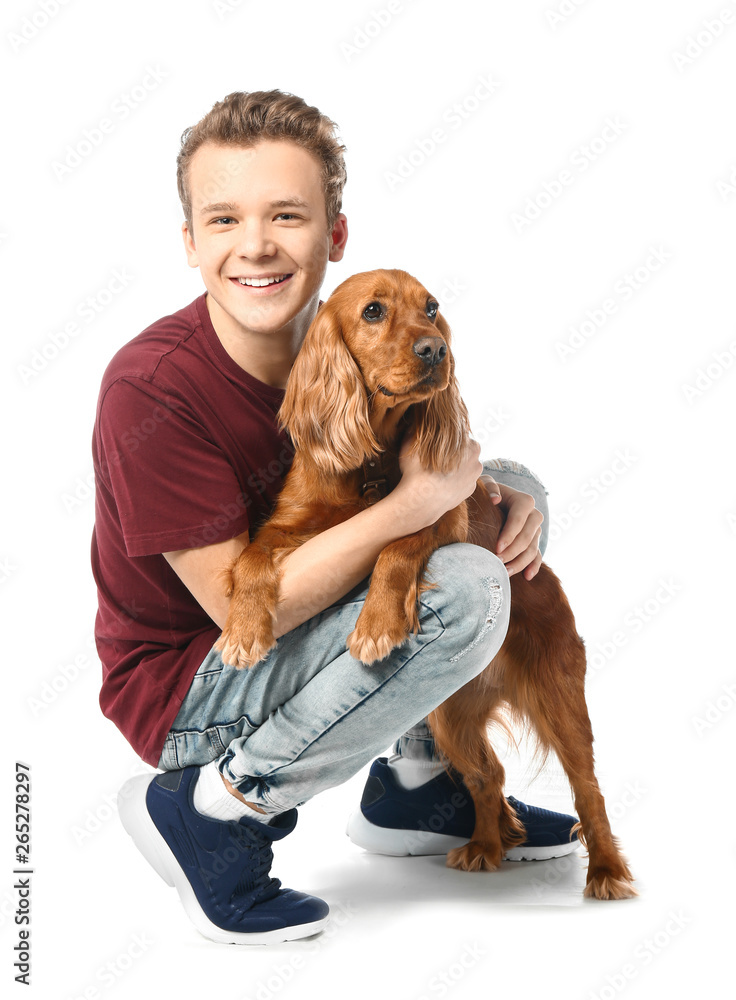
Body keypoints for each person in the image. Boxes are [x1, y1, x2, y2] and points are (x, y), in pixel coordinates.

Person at [92, 89, 579, 946]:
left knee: (492, 544)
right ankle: (212, 807)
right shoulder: (152, 392)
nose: (255, 245)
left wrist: (514, 485)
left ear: (335, 235)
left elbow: (438, 465)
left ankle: (417, 783)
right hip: (191, 686)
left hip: (293, 642)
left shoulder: (354, 328)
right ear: (189, 242)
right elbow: (253, 611)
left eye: (286, 215)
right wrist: (417, 504)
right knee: (459, 586)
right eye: (223, 219)